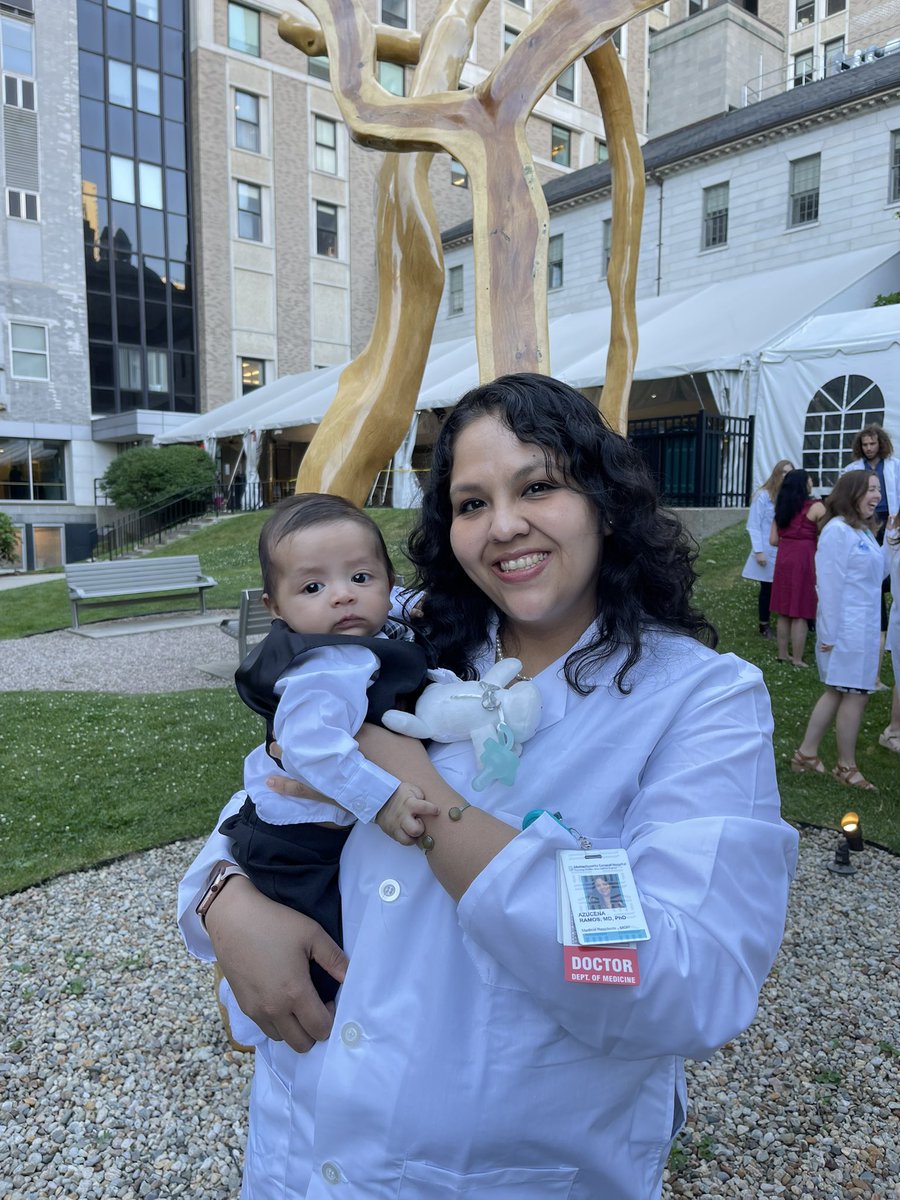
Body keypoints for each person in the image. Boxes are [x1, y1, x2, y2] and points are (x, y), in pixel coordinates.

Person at [179, 373, 797, 1200]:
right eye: (471, 504)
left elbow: (687, 981)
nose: (504, 526)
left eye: (538, 485)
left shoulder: (698, 701)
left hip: (500, 1176)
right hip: (299, 1153)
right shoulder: (410, 639)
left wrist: (426, 801)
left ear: (604, 500)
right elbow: (272, 791)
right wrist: (221, 899)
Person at [221, 493, 436, 1002]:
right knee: (310, 967)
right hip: (295, 847)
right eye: (313, 586)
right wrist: (382, 799)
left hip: (309, 834)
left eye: (361, 578)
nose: (342, 596)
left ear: (388, 582)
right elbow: (309, 749)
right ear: (275, 607)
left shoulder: (365, 636)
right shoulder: (325, 667)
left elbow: (397, 610)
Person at [791, 472, 886, 790]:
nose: (877, 496)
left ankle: (806, 754)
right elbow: (828, 586)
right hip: (846, 631)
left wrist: (893, 542)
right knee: (855, 695)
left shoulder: (862, 532)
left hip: (863, 629)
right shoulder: (836, 532)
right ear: (853, 492)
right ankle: (846, 766)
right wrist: (828, 636)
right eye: (871, 490)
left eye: (878, 490)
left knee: (838, 692)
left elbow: (878, 574)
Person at [842, 424, 899, 689]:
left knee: (887, 573)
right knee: (872, 578)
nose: (868, 448)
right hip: (866, 523)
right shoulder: (855, 469)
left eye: (872, 444)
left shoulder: (892, 465)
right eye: (864, 445)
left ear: (880, 443)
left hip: (888, 522)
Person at [769, 469, 826, 666]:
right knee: (800, 609)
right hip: (804, 558)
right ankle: (798, 658)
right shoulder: (816, 507)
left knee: (783, 609)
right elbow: (828, 534)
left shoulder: (781, 507)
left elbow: (773, 540)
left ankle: (783, 654)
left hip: (784, 556)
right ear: (804, 484)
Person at [741, 459, 794, 637]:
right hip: (766, 549)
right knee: (767, 589)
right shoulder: (763, 495)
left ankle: (784, 623)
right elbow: (753, 525)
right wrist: (758, 551)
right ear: (777, 473)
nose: (787, 476)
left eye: (790, 473)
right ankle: (764, 624)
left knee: (784, 587)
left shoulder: (788, 496)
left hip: (784, 550)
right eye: (784, 472)